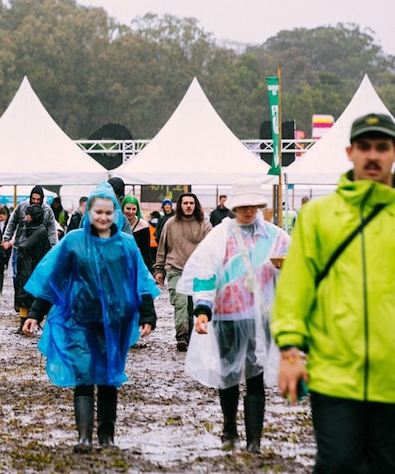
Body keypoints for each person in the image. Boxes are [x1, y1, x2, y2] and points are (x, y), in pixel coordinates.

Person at [271, 113, 395, 473]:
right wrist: (290, 351)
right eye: (365, 147)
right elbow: (295, 288)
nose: (373, 155)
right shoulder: (319, 216)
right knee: (338, 465)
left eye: (382, 147)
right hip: (335, 376)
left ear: (393, 153)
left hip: (392, 379)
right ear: (350, 152)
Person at [22, 181, 158, 453]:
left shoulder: (127, 245)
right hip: (79, 322)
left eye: (109, 212)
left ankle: (106, 437)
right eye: (98, 212)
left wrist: (147, 314)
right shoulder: (73, 242)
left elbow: (141, 281)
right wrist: (36, 313)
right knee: (84, 376)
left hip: (114, 323)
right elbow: (55, 280)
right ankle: (84, 436)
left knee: (109, 377)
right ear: (89, 212)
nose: (103, 217)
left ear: (116, 213)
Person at [178, 178, 290, 453]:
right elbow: (205, 272)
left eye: (253, 205)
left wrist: (287, 269)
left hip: (260, 320)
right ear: (233, 207)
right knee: (228, 375)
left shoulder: (276, 237)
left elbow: (297, 272)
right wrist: (202, 309)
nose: (248, 211)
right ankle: (230, 430)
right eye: (242, 206)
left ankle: (254, 440)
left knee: (255, 377)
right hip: (228, 316)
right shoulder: (221, 235)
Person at [153, 193, 212, 351]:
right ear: (180, 205)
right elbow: (162, 248)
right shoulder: (170, 224)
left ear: (195, 205)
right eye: (185, 203)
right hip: (176, 269)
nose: (188, 206)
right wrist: (159, 269)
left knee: (194, 306)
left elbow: (213, 248)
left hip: (198, 271)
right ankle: (182, 337)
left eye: (191, 203)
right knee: (181, 304)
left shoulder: (204, 225)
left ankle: (192, 338)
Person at [1, 185, 58, 277]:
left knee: (35, 275)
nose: (35, 201)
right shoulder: (22, 206)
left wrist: (53, 247)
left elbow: (52, 231)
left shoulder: (47, 210)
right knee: (17, 274)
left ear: (42, 199)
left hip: (38, 249)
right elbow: (12, 222)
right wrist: (6, 239)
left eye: (38, 199)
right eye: (33, 199)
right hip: (19, 246)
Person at [13, 204, 51, 334]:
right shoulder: (29, 228)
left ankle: (29, 323)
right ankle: (23, 323)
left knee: (29, 295)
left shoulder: (40, 231)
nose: (26, 217)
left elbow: (25, 246)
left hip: (33, 267)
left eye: (29, 214)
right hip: (27, 266)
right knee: (23, 296)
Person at [121, 195, 153, 272]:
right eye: (128, 208)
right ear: (123, 208)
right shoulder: (117, 222)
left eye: (134, 209)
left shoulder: (143, 225)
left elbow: (146, 252)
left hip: (137, 266)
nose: (131, 212)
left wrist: (149, 272)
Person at [0, 205, 11, 293]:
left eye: (1, 217)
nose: (0, 219)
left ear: (6, 215)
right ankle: (0, 287)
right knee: (0, 269)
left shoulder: (10, 223)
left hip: (8, 249)